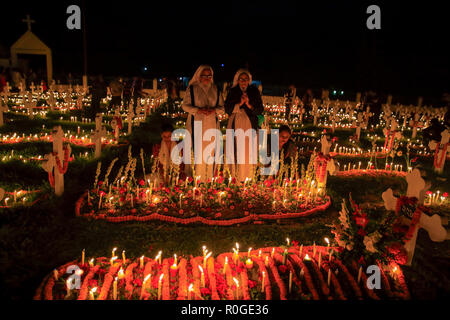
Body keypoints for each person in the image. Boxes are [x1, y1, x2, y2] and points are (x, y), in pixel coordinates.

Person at [182, 65, 224, 182]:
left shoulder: (216, 89)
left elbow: (222, 107)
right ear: (199, 76)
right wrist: (198, 110)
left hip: (211, 123)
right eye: (204, 75)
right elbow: (185, 105)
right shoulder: (192, 88)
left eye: (209, 75)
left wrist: (214, 110)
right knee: (196, 149)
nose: (207, 78)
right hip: (196, 122)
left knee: (210, 151)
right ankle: (194, 178)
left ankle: (208, 178)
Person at [224, 69, 264, 183]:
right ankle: (234, 175)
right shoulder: (232, 91)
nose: (243, 81)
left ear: (249, 80)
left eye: (246, 79)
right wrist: (239, 104)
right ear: (238, 80)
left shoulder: (254, 91)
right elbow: (227, 109)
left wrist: (248, 105)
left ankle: (247, 176)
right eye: (241, 79)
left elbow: (260, 109)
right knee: (235, 148)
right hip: (235, 123)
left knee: (248, 151)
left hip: (250, 124)